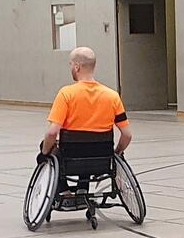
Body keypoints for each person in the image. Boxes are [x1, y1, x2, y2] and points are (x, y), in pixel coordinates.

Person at [41, 47, 132, 195]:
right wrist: (117, 151)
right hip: (102, 159)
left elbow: (52, 133)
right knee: (90, 146)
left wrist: (44, 153)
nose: (71, 67)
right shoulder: (112, 96)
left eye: (70, 64)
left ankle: (64, 190)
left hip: (70, 158)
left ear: (77, 66)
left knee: (49, 147)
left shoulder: (66, 94)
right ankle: (83, 187)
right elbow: (127, 135)